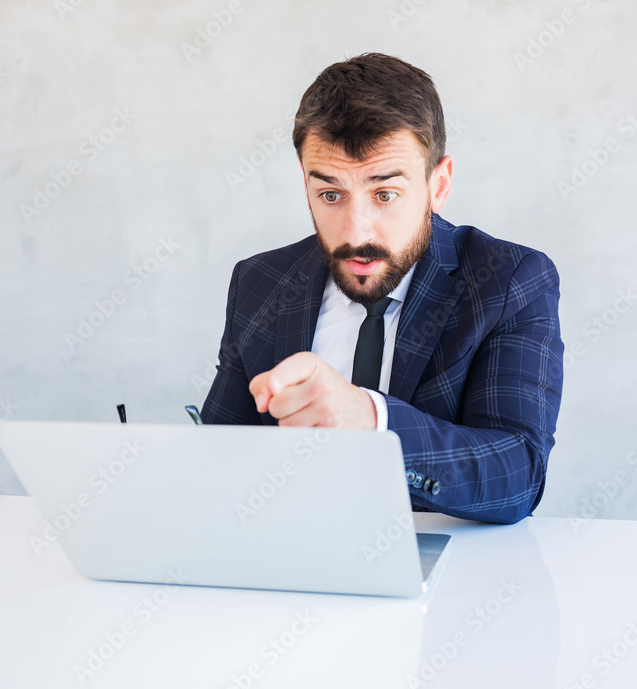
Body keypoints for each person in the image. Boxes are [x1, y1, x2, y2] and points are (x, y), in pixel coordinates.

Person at [201, 53, 564, 525]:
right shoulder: (260, 282)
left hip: (438, 563)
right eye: (331, 194)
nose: (356, 232)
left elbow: (517, 475)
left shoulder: (509, 281)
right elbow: (218, 463)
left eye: (385, 194)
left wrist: (369, 418)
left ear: (438, 185)